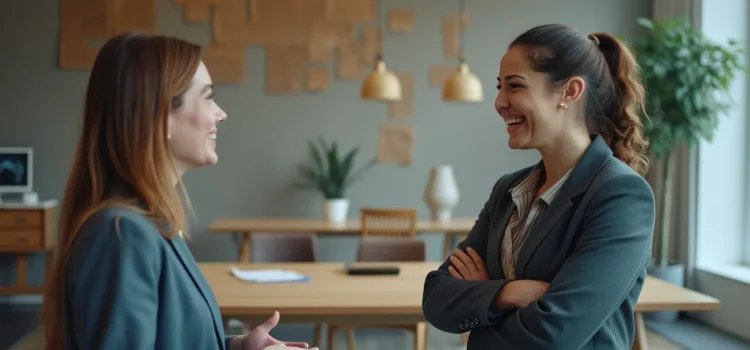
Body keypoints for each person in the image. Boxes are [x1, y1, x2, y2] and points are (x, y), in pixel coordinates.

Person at [42, 32, 316, 350]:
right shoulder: (122, 235)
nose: (220, 114)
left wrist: (239, 346)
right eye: (208, 97)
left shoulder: (148, 225)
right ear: (161, 118)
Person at [422, 23, 656, 350]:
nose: (499, 102)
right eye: (499, 86)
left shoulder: (621, 195)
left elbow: (554, 335)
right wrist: (510, 293)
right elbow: (436, 299)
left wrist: (482, 301)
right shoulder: (509, 190)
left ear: (570, 92)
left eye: (515, 86)